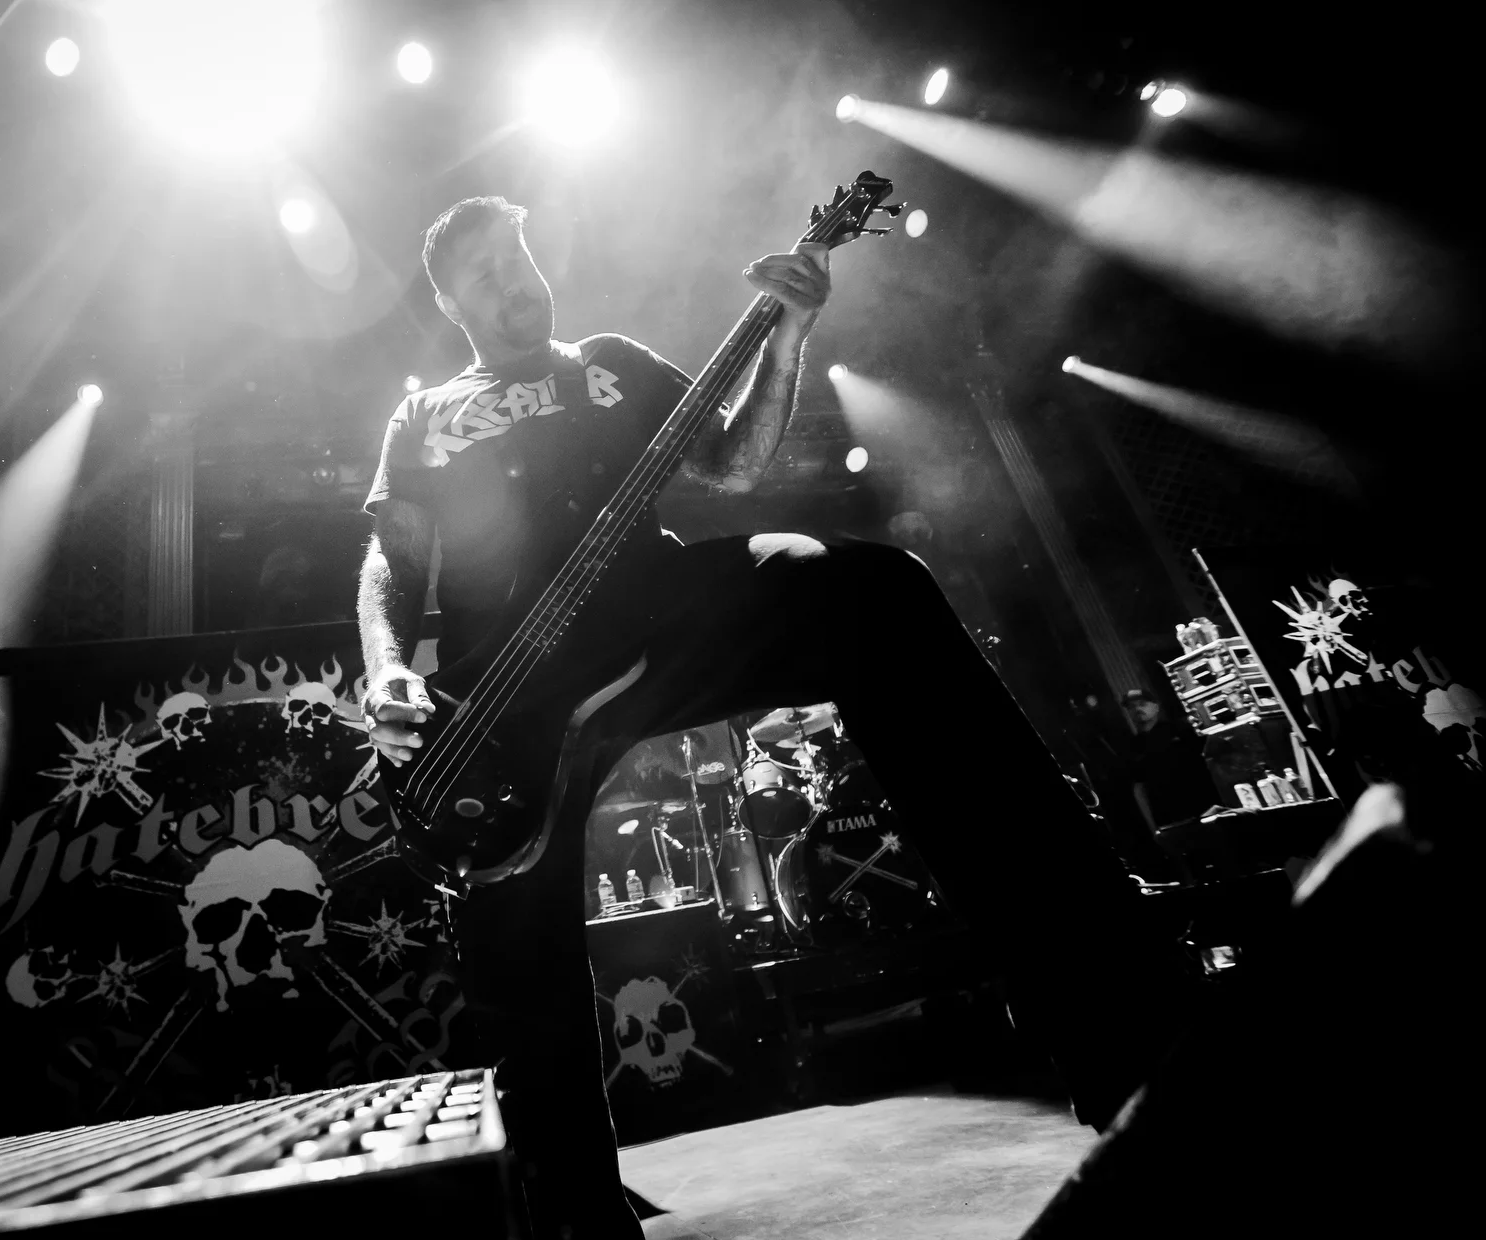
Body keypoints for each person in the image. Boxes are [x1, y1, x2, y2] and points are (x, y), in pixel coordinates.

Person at [356, 196, 1184, 1239]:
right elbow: (393, 555)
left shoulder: (610, 363)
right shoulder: (426, 415)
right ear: (449, 303)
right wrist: (386, 668)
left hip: (656, 612)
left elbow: (730, 465)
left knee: (871, 590)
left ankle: (1123, 1030)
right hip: (509, 689)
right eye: (483, 275)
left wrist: (788, 337)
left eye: (517, 259)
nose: (511, 284)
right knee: (514, 952)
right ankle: (573, 1219)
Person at [1121, 689, 1218, 829]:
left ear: (1156, 706)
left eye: (1142, 704)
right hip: (1169, 818)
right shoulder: (1134, 746)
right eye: (1131, 707)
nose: (1137, 709)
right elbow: (1139, 787)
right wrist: (1152, 826)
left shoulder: (1181, 730)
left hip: (1202, 806)